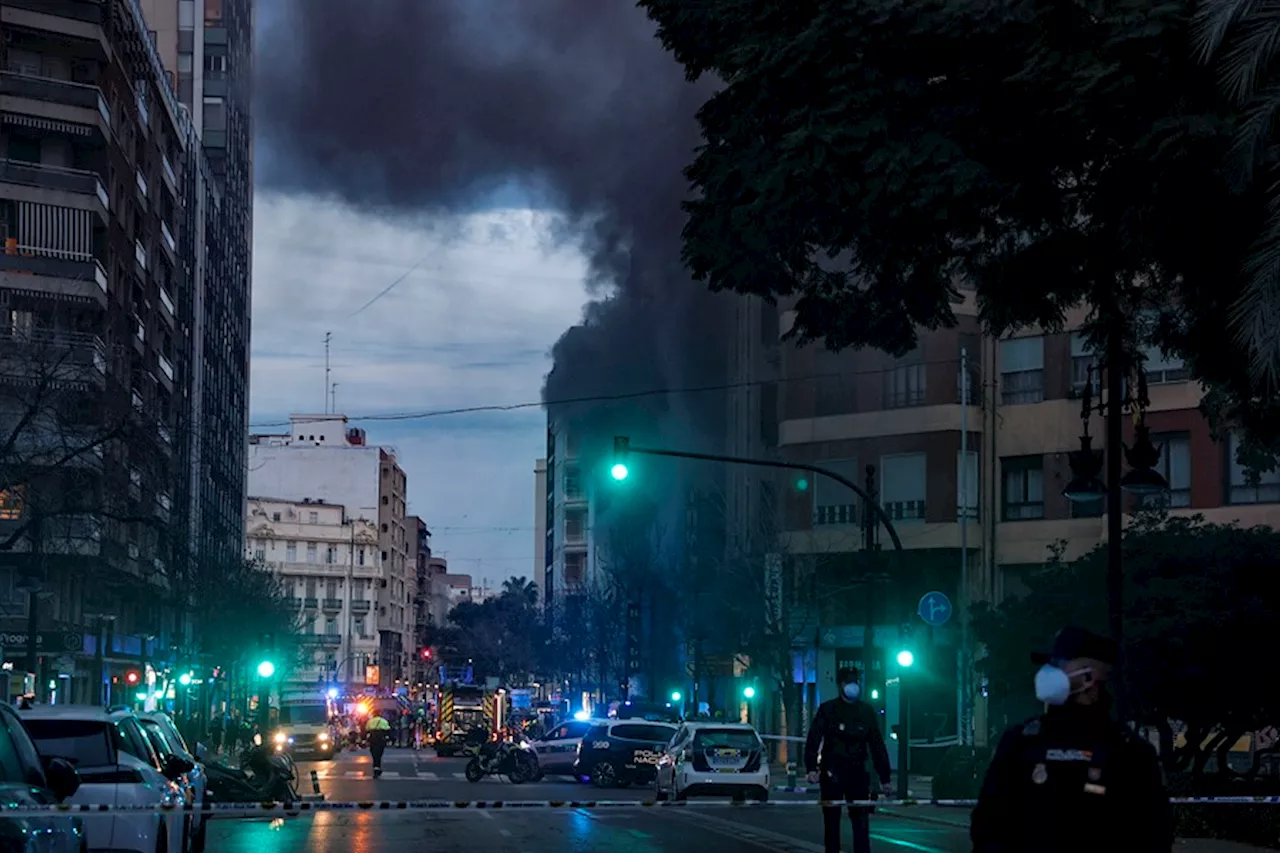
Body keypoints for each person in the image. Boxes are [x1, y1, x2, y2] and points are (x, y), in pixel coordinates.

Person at [971, 626, 1174, 853]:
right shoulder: (1021, 742)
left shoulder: (1129, 751)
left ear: (1090, 676)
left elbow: (1154, 835)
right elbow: (987, 824)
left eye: (1058, 664)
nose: (1046, 673)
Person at [804, 666, 893, 853]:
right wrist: (811, 768)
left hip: (857, 772)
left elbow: (877, 745)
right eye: (848, 682)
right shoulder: (828, 710)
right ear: (840, 685)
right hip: (832, 773)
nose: (852, 686)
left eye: (855, 682)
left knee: (861, 822)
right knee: (832, 823)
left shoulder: (866, 711)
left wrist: (885, 778)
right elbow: (813, 739)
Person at [366, 709, 391, 777]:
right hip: (381, 738)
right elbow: (388, 729)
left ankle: (376, 766)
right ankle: (377, 767)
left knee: (373, 752)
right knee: (379, 753)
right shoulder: (384, 721)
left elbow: (367, 729)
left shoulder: (370, 721)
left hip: (372, 738)